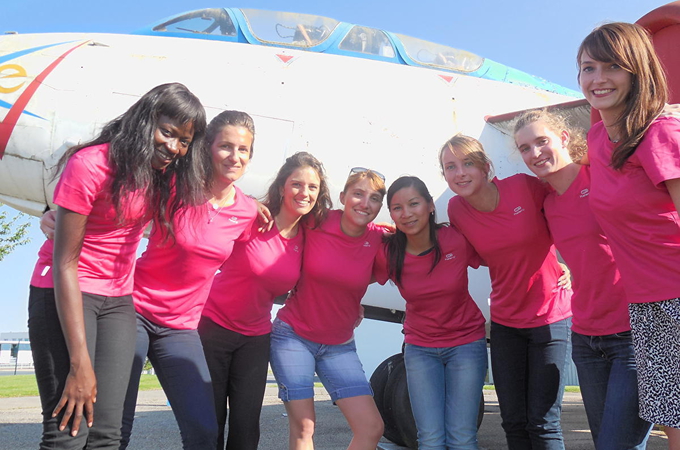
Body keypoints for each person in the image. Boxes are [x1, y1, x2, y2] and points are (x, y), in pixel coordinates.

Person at [27, 82, 207, 449]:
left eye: (184, 141)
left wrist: (259, 205)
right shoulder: (91, 164)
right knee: (68, 433)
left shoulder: (161, 176)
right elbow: (65, 263)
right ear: (145, 121)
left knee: (107, 436)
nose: (174, 147)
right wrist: (79, 363)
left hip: (118, 300)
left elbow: (218, 189)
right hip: (66, 290)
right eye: (167, 132)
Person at [119, 110, 260, 450]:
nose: (235, 156)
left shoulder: (247, 211)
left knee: (203, 433)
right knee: (115, 427)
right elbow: (116, 208)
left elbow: (265, 251)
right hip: (134, 311)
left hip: (180, 329)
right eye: (226, 146)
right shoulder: (173, 185)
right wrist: (56, 215)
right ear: (207, 147)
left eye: (243, 149)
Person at [514, 108, 652, 449]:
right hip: (586, 339)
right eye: (525, 148)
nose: (535, 153)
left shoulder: (602, 177)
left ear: (564, 138)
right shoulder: (548, 204)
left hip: (632, 331)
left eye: (541, 141)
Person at [577, 22, 680, 447]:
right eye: (588, 67)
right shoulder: (598, 137)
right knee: (674, 423)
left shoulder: (659, 132)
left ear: (637, 71)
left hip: (676, 298)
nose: (598, 78)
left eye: (612, 66)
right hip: (647, 305)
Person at [440, 134, 572, 450]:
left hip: (550, 318)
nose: (460, 173)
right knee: (513, 422)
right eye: (450, 167)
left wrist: (569, 261)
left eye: (468, 163)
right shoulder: (457, 209)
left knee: (543, 423)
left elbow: (568, 212)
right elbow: (478, 254)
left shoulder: (523, 187)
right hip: (506, 324)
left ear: (486, 167)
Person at [198, 151, 332, 450]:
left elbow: (347, 236)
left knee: (246, 429)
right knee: (209, 425)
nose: (304, 192)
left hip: (255, 338)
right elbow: (214, 203)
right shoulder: (253, 218)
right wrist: (247, 203)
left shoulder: (309, 236)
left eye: (312, 187)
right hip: (214, 328)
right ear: (282, 187)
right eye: (297, 184)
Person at [270, 167, 386, 450]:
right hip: (294, 336)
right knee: (304, 426)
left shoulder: (379, 240)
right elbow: (281, 219)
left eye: (374, 198)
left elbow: (368, 273)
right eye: (358, 194)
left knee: (371, 428)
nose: (365, 203)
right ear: (343, 197)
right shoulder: (315, 221)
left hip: (340, 345)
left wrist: (347, 292)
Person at [374, 176, 487, 450]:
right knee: (430, 439)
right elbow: (350, 270)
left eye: (414, 204)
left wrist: (554, 263)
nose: (407, 213)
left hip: (465, 344)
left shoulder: (455, 239)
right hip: (421, 349)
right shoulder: (388, 252)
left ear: (430, 206)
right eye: (397, 208)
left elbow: (504, 253)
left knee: (462, 437)